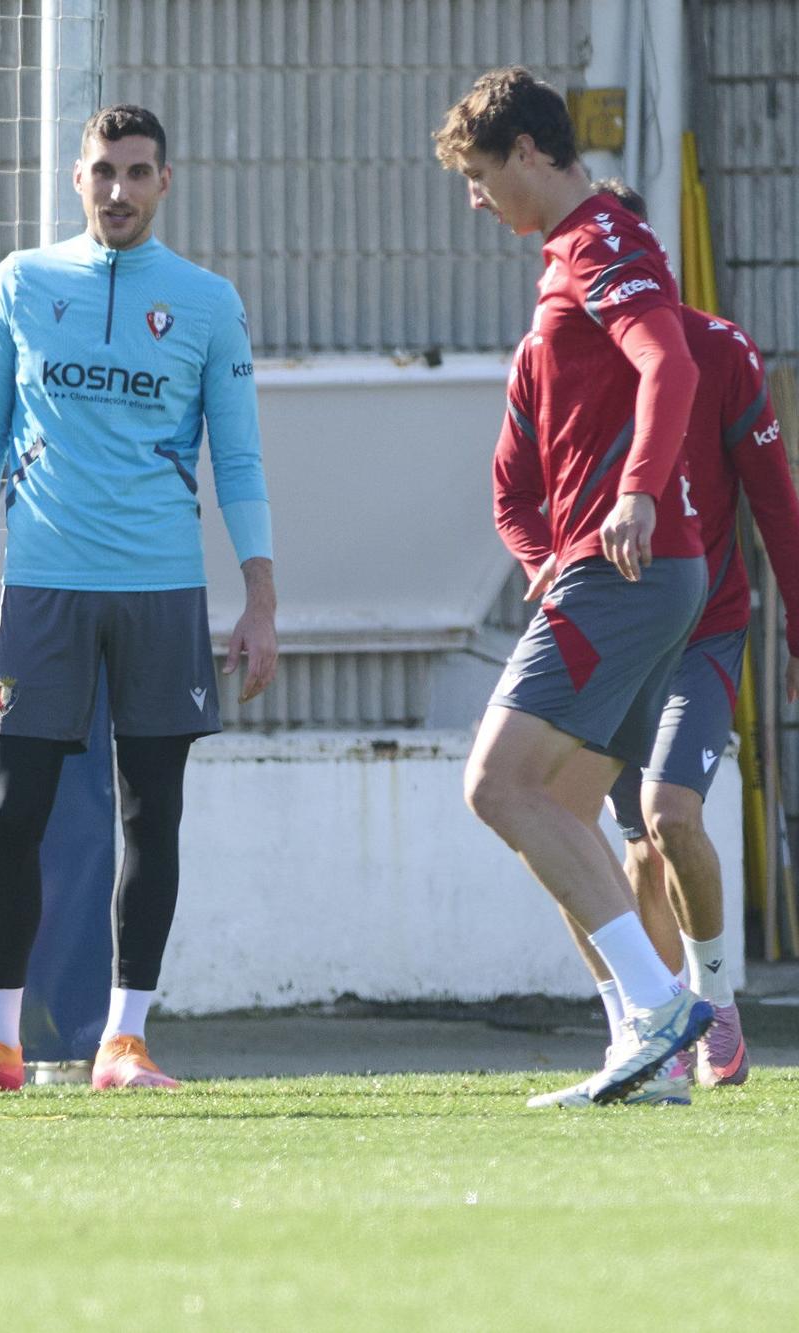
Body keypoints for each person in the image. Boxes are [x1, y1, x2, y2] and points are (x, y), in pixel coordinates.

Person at [0, 105, 279, 1093]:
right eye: (101, 172)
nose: (116, 190)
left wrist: (258, 598)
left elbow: (239, 457)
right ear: (75, 179)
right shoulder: (21, 281)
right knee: (17, 809)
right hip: (41, 585)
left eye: (135, 173)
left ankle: (122, 1042)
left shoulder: (207, 302)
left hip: (160, 591)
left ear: (164, 182)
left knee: (150, 813)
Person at [435, 67, 712, 1107]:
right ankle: (640, 1057)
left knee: (493, 785)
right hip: (629, 567)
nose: (472, 197)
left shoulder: (599, 241)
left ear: (522, 153)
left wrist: (635, 494)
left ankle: (659, 1006)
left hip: (627, 566)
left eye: (475, 174)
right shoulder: (571, 253)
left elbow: (670, 366)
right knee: (556, 806)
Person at [574, 178, 796, 1089]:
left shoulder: (715, 350)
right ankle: (656, 1032)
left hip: (705, 625)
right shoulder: (564, 353)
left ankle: (715, 1003)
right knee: (629, 838)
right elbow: (521, 495)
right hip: (612, 635)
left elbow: (778, 505)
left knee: (671, 815)